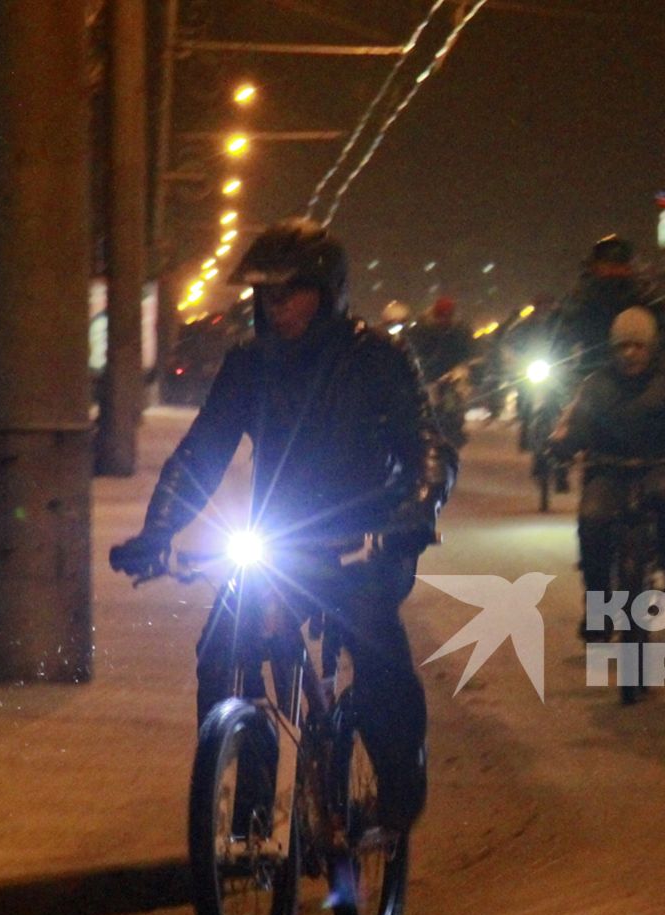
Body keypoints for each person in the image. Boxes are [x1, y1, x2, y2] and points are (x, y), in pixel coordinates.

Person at [108, 218, 455, 853]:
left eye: (293, 293)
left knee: (374, 643)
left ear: (327, 292)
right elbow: (202, 452)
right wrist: (158, 530)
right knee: (221, 648)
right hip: (281, 535)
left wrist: (416, 511)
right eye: (267, 296)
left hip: (365, 539)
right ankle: (245, 799)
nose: (279, 307)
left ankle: (402, 789)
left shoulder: (375, 357)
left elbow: (427, 447)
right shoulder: (250, 366)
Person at [548, 307, 665, 629]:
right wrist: (562, 445)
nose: (630, 354)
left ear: (651, 347)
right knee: (592, 523)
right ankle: (598, 608)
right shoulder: (595, 384)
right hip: (608, 471)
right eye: (622, 346)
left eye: (638, 346)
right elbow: (572, 423)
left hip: (662, 468)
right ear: (613, 349)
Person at [553, 235, 665, 384]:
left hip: (644, 377)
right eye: (606, 264)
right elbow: (562, 333)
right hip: (595, 379)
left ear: (628, 266)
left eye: (618, 264)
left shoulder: (644, 294)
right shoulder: (581, 299)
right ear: (594, 266)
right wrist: (562, 366)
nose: (612, 269)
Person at [406, 295, 473, 383]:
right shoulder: (421, 331)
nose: (445, 319)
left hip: (453, 378)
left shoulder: (460, 331)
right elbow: (416, 356)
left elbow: (469, 352)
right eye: (442, 315)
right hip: (430, 380)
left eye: (449, 315)